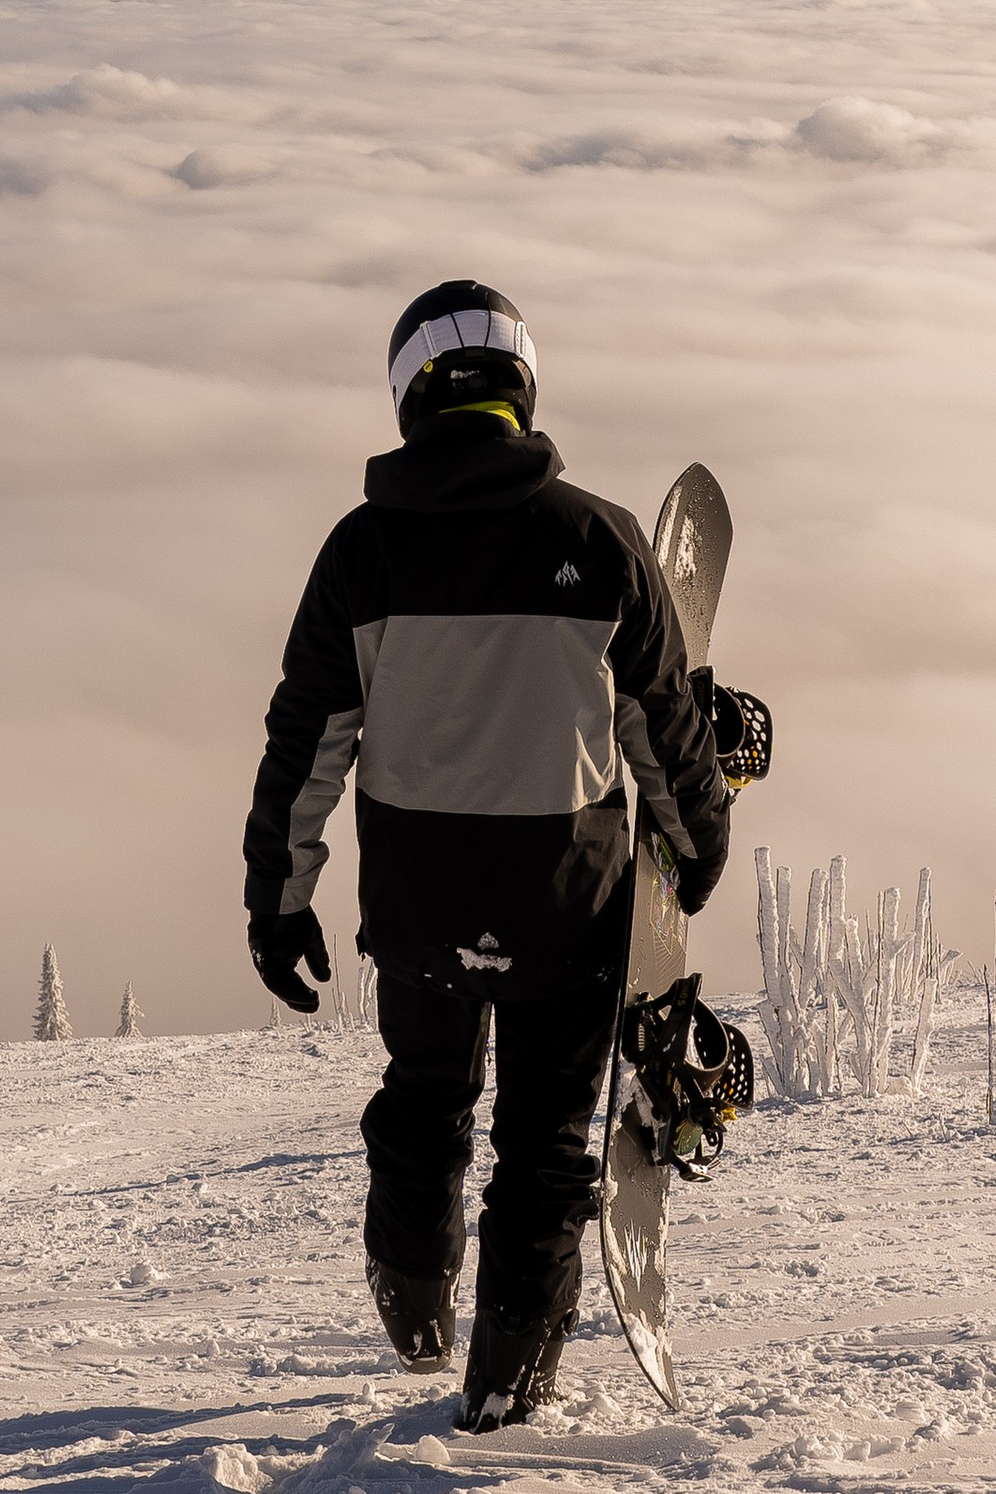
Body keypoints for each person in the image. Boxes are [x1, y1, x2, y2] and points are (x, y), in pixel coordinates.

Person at [242, 277, 734, 1430]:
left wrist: (279, 900)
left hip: (417, 909)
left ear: (411, 394)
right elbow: (660, 730)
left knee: (422, 1104)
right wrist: (698, 851)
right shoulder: (601, 541)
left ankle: (416, 1311)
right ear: (521, 385)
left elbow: (307, 739)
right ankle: (507, 1386)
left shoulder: (359, 554)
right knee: (547, 1148)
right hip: (572, 910)